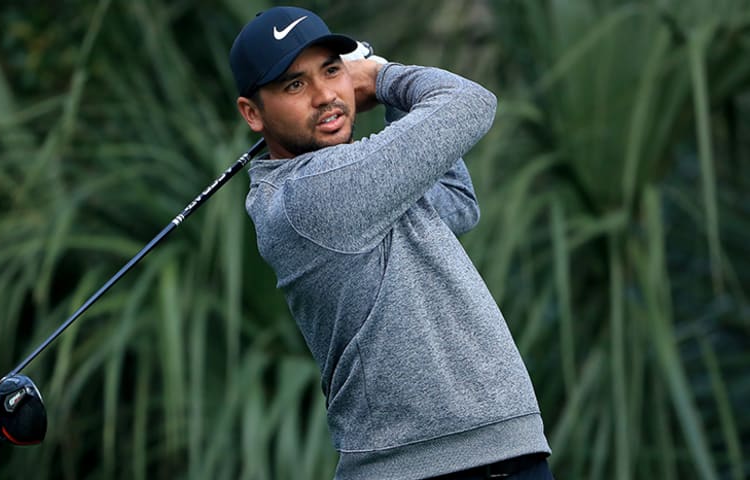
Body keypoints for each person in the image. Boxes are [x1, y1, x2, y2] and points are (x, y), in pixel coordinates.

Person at [230, 6, 553, 480]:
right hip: (427, 467)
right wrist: (383, 77)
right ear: (252, 113)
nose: (325, 96)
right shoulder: (310, 194)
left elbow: (456, 204)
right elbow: (470, 102)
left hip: (492, 456)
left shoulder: (354, 181)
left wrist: (389, 96)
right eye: (294, 85)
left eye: (332, 70)